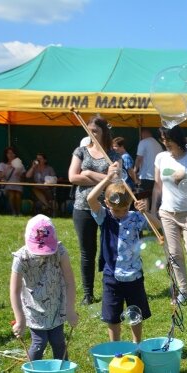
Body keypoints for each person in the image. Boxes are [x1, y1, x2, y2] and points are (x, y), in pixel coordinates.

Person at [87, 168, 159, 343]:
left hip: (134, 275)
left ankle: (137, 343)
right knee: (112, 317)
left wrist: (145, 212)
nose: (121, 213)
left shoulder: (135, 217)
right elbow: (90, 199)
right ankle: (115, 346)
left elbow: (158, 226)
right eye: (117, 210)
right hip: (112, 276)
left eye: (125, 209)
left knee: (136, 313)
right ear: (107, 203)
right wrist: (107, 179)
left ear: (130, 204)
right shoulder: (104, 217)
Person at [151, 125, 187, 303]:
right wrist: (153, 210)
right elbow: (157, 186)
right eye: (162, 139)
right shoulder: (160, 158)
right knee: (174, 254)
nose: (165, 143)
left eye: (168, 139)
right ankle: (184, 291)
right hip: (167, 212)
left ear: (177, 138)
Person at [68, 115, 121, 305]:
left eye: (95, 130)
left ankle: (112, 289)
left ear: (104, 131)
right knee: (86, 252)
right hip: (83, 207)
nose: (91, 133)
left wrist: (89, 173)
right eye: (89, 130)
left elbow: (116, 180)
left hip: (107, 208)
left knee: (109, 249)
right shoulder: (81, 151)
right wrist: (104, 177)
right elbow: (73, 177)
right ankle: (88, 293)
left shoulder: (114, 155)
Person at [10, 215, 78, 360]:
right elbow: (14, 291)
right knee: (39, 343)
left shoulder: (60, 252)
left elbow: (70, 282)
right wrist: (19, 318)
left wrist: (70, 310)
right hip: (33, 307)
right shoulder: (21, 258)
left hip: (56, 305)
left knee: (58, 342)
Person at [134, 127, 163, 200]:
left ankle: (145, 211)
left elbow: (139, 158)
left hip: (146, 176)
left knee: (144, 199)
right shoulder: (158, 144)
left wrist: (134, 170)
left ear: (143, 134)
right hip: (157, 176)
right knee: (153, 198)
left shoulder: (143, 142)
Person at [0, 146, 25, 216]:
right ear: (6, 155)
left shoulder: (20, 164)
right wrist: (8, 168)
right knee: (12, 194)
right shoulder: (2, 164)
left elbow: (24, 177)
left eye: (12, 153)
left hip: (18, 185)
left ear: (15, 154)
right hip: (7, 186)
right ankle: (13, 212)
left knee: (17, 195)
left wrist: (20, 175)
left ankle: (19, 212)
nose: (10, 155)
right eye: (8, 153)